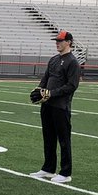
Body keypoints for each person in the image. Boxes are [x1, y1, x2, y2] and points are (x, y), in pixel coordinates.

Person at [29, 30, 81, 184]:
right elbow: (46, 78)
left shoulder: (73, 62)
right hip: (47, 105)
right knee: (48, 137)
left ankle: (65, 172)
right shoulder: (53, 60)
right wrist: (39, 91)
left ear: (69, 42)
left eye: (60, 41)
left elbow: (72, 86)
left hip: (61, 106)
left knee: (64, 140)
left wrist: (51, 93)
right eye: (56, 41)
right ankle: (48, 168)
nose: (57, 43)